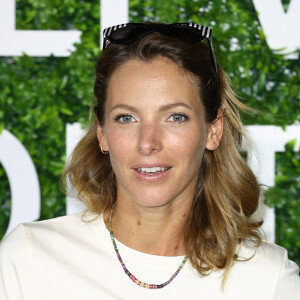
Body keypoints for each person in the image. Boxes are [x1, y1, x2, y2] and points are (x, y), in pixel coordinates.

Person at [0, 22, 300, 299]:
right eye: (126, 118)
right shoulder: (28, 260)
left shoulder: (268, 279)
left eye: (175, 117)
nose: (148, 143)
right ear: (102, 133)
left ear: (213, 130)